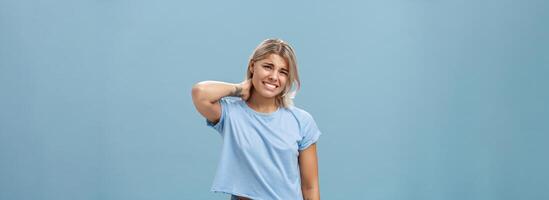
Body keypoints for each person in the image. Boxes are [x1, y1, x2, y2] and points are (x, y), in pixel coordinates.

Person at [191, 38, 322, 200]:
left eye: (283, 72)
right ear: (253, 66)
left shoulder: (302, 121)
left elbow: (310, 187)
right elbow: (200, 92)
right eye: (268, 67)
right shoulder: (231, 113)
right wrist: (238, 89)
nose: (274, 77)